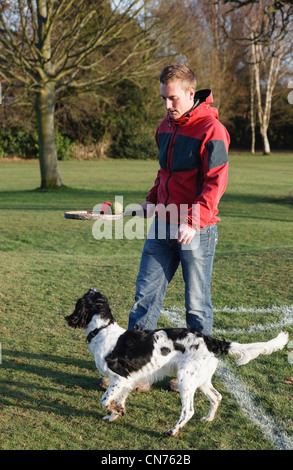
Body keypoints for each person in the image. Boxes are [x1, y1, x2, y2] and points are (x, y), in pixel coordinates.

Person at [128, 64, 230, 338]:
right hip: (162, 225)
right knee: (144, 297)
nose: (167, 104)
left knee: (196, 304)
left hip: (196, 230)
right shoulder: (164, 127)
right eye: (163, 98)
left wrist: (193, 222)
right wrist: (151, 200)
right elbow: (165, 173)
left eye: (172, 98)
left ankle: (196, 366)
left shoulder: (212, 129)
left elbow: (215, 182)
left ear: (190, 93)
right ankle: (136, 366)